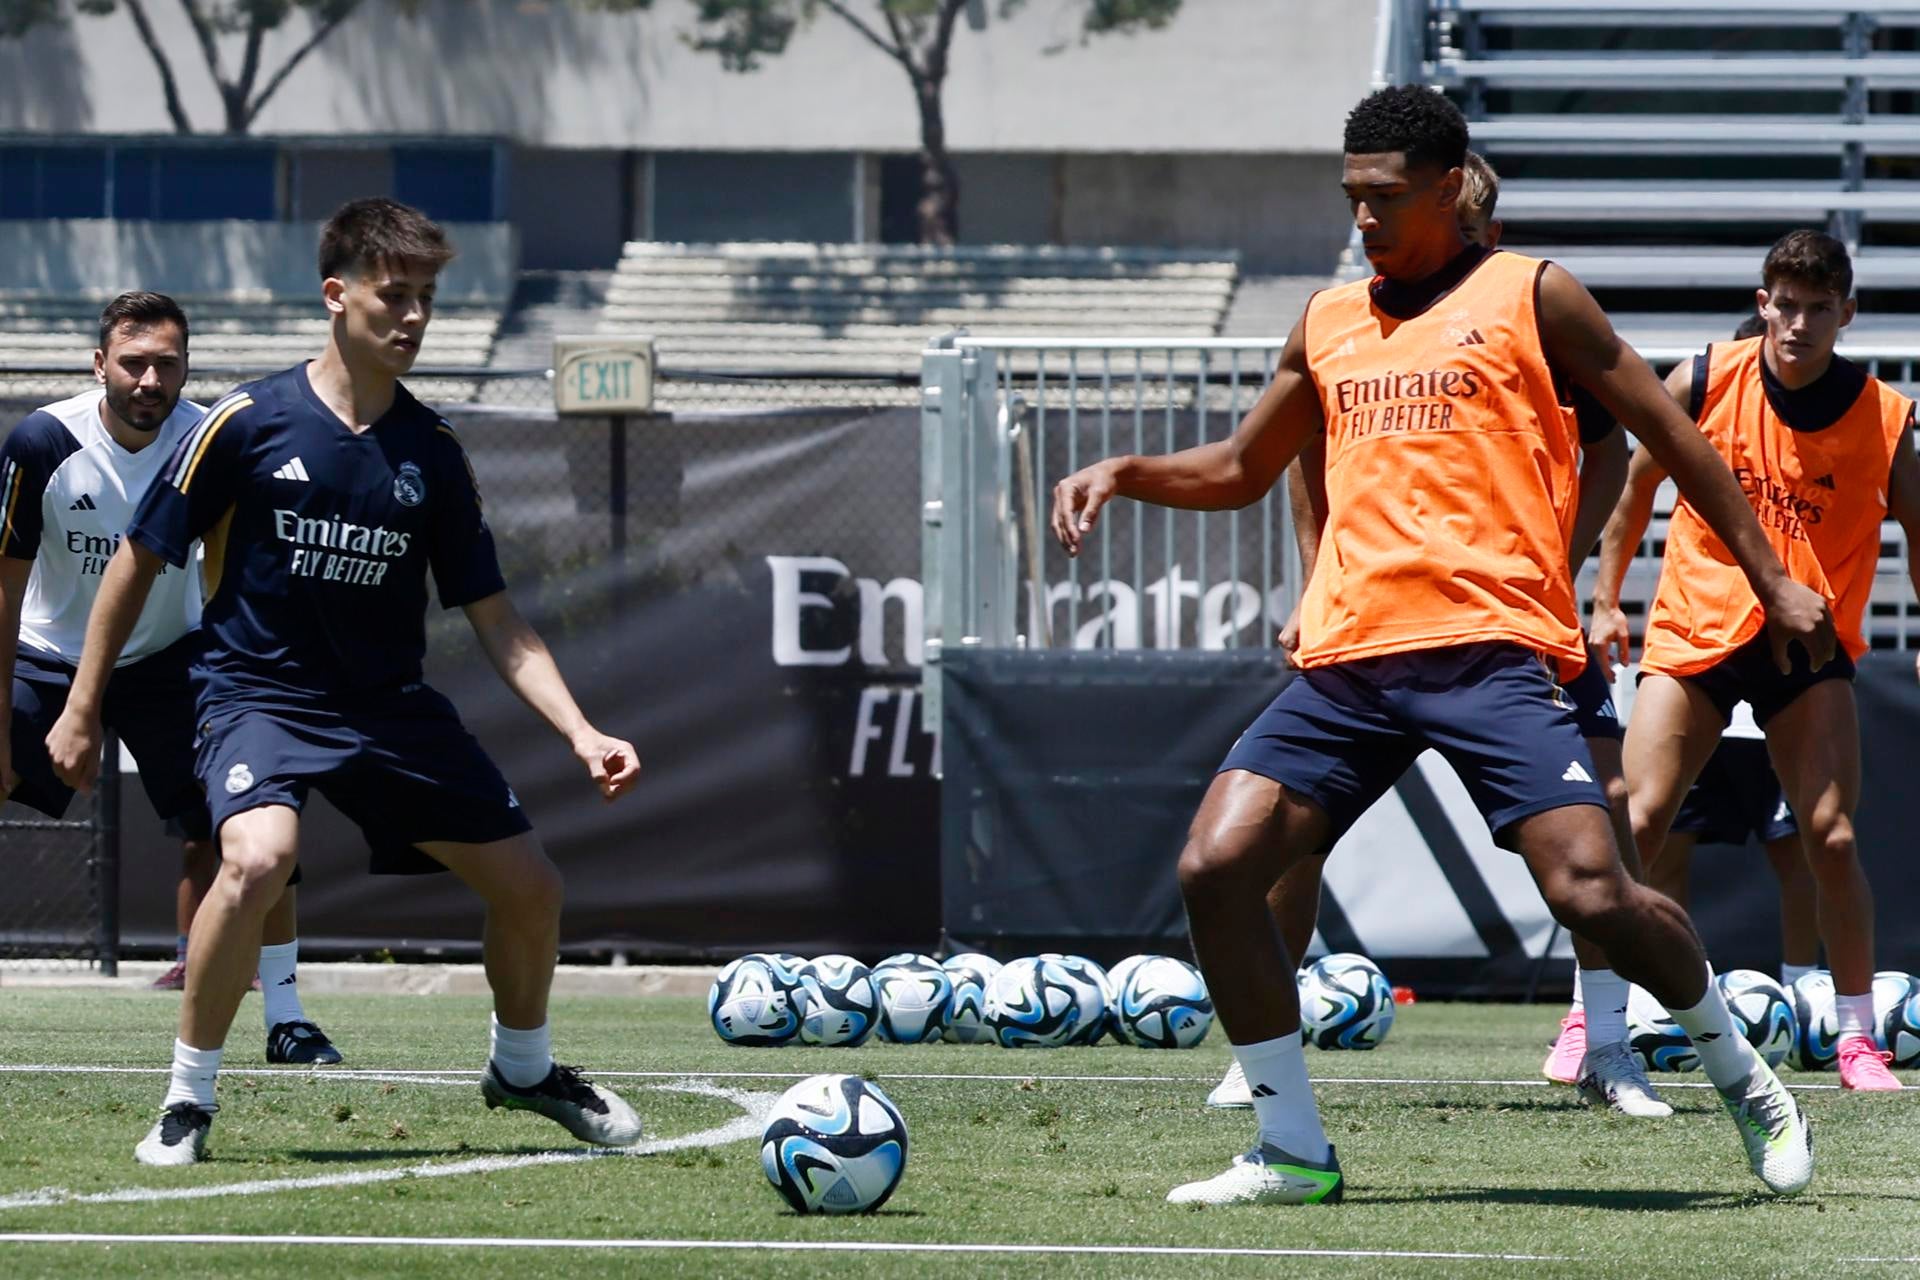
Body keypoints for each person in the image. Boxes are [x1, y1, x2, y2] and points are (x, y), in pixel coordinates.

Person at [1051, 86, 1828, 1204]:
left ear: (1450, 188)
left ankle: (1744, 1077)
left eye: (1386, 196)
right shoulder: (1326, 319)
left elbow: (1669, 434)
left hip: (1490, 650)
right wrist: (1124, 471)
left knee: (1592, 892)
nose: (1364, 217)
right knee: (1215, 868)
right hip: (1353, 659)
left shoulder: (1533, 293)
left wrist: (1770, 575)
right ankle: (1291, 1148)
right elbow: (1241, 467)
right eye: (1351, 197)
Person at [45, 200, 645, 1165]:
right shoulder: (246, 420)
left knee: (533, 888)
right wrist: (82, 706)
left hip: (389, 710)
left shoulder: (433, 451)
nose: (413, 316)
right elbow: (137, 560)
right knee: (257, 859)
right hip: (256, 696)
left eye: (426, 298)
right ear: (336, 295)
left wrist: (582, 732)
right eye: (393, 295)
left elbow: (497, 617)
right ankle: (188, 1099)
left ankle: (524, 1069)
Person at [1209, 151, 1671, 1118]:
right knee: (1284, 838)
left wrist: (1557, 567)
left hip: (1510, 621)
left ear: (1478, 227)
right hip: (1378, 624)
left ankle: (1608, 1043)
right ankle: (1266, 1053)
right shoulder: (1352, 325)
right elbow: (1300, 453)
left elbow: (1610, 451)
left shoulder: (1530, 314)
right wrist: (1317, 580)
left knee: (1606, 820)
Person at [1590, 230, 1917, 1092]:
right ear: (1763, 303)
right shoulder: (1704, 378)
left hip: (1809, 643)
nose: (1800, 323)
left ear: (1848, 314)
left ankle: (1857, 1041)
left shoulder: (1885, 417)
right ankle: (1594, 1024)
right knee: (1637, 824)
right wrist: (1604, 601)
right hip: (1697, 625)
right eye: (1787, 304)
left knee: (1831, 837)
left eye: (1820, 308)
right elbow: (1633, 490)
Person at [0, 292, 338, 1061]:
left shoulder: (212, 439)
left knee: (261, 812)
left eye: (166, 364)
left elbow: (237, 574)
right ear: (99, 365)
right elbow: (5, 591)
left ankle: (287, 1017)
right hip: (49, 653)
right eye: (133, 363)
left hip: (170, 656)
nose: (149, 380)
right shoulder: (42, 440)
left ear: (186, 369)